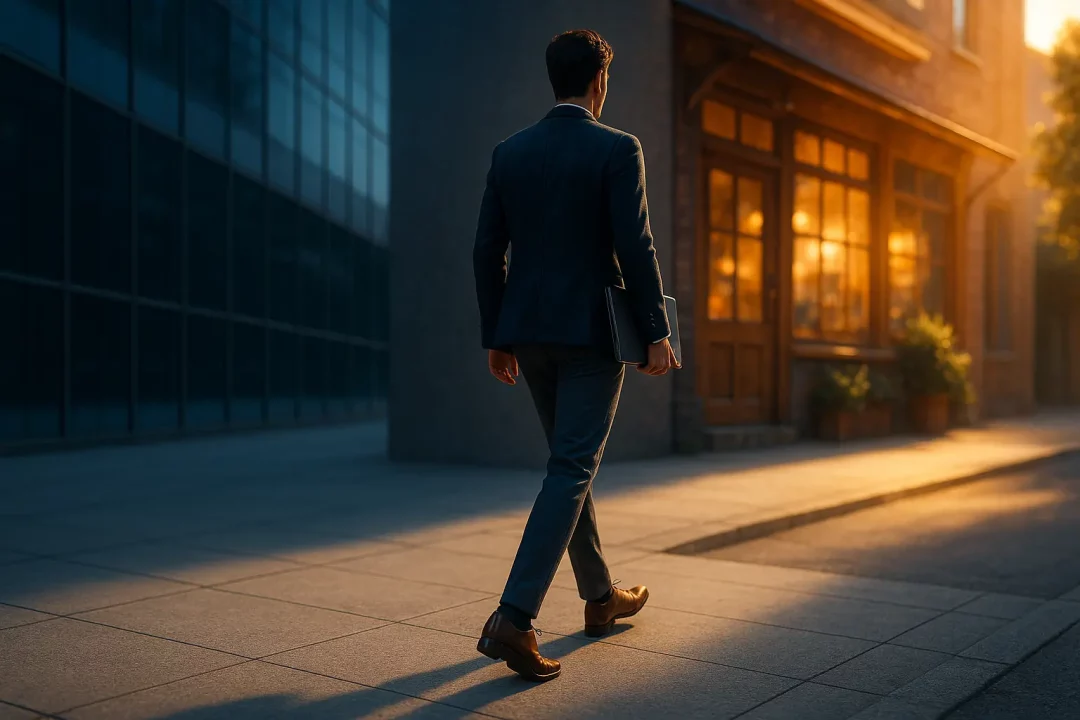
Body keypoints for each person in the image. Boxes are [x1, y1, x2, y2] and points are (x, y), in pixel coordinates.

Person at [471, 29, 679, 682]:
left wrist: (496, 335)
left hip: (528, 334)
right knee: (571, 467)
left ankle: (599, 598)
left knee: (569, 462)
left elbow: (486, 250)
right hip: (591, 334)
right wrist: (657, 330)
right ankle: (514, 618)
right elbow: (635, 244)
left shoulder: (509, 152)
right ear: (598, 82)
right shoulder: (618, 147)